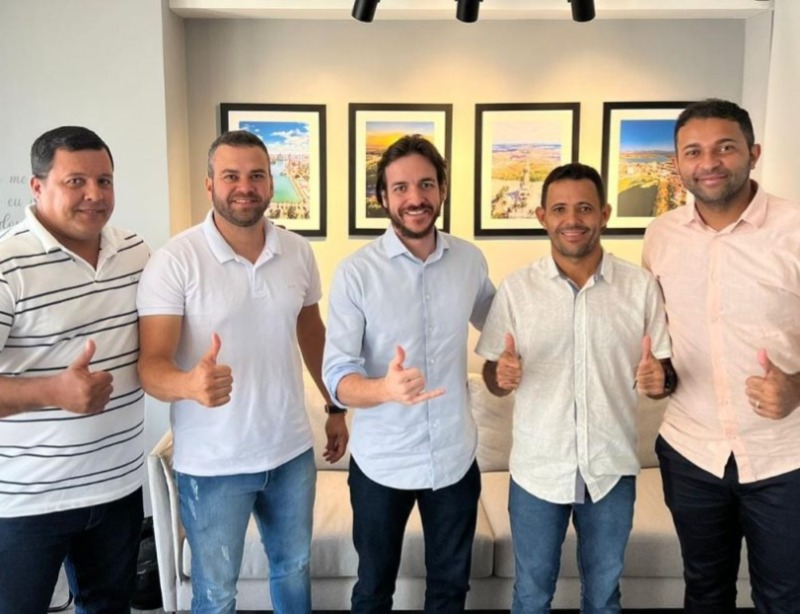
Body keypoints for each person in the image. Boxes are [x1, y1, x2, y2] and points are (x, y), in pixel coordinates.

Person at [136, 130, 348, 614]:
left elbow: (311, 333)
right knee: (216, 593)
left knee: (293, 569)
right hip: (213, 464)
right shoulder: (175, 260)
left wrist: (335, 406)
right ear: (209, 184)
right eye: (231, 176)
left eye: (256, 175)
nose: (245, 187)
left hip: (291, 453)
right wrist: (188, 384)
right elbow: (150, 366)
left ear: (271, 183)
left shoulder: (297, 251)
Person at [477, 162, 675, 613]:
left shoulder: (640, 287)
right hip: (538, 469)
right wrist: (499, 377)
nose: (572, 219)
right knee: (531, 596)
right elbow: (493, 374)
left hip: (611, 468)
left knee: (604, 597)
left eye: (584, 208)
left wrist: (658, 381)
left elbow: (662, 373)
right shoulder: (517, 290)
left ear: (604, 214)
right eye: (560, 209)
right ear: (542, 217)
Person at [322, 134, 496, 613]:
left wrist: (513, 355)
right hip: (382, 462)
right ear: (382, 197)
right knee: (373, 590)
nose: (414, 198)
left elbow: (500, 324)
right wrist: (384, 388)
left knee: (450, 591)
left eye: (425, 184)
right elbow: (337, 374)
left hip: (453, 458)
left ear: (442, 190)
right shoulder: (356, 273)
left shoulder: (469, 260)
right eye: (400, 188)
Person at [643, 98, 800, 612]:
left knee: (785, 597)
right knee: (705, 592)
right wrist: (658, 376)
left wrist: (797, 388)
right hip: (692, 452)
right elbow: (664, 339)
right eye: (693, 151)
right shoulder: (661, 235)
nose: (708, 162)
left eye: (725, 148)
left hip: (785, 456)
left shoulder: (794, 228)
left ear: (753, 153)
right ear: (678, 164)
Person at [0, 126, 149, 613]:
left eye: (104, 181)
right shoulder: (7, 264)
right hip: (29, 500)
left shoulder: (134, 250)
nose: (95, 195)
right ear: (37, 186)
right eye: (76, 182)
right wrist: (53, 391)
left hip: (119, 489)